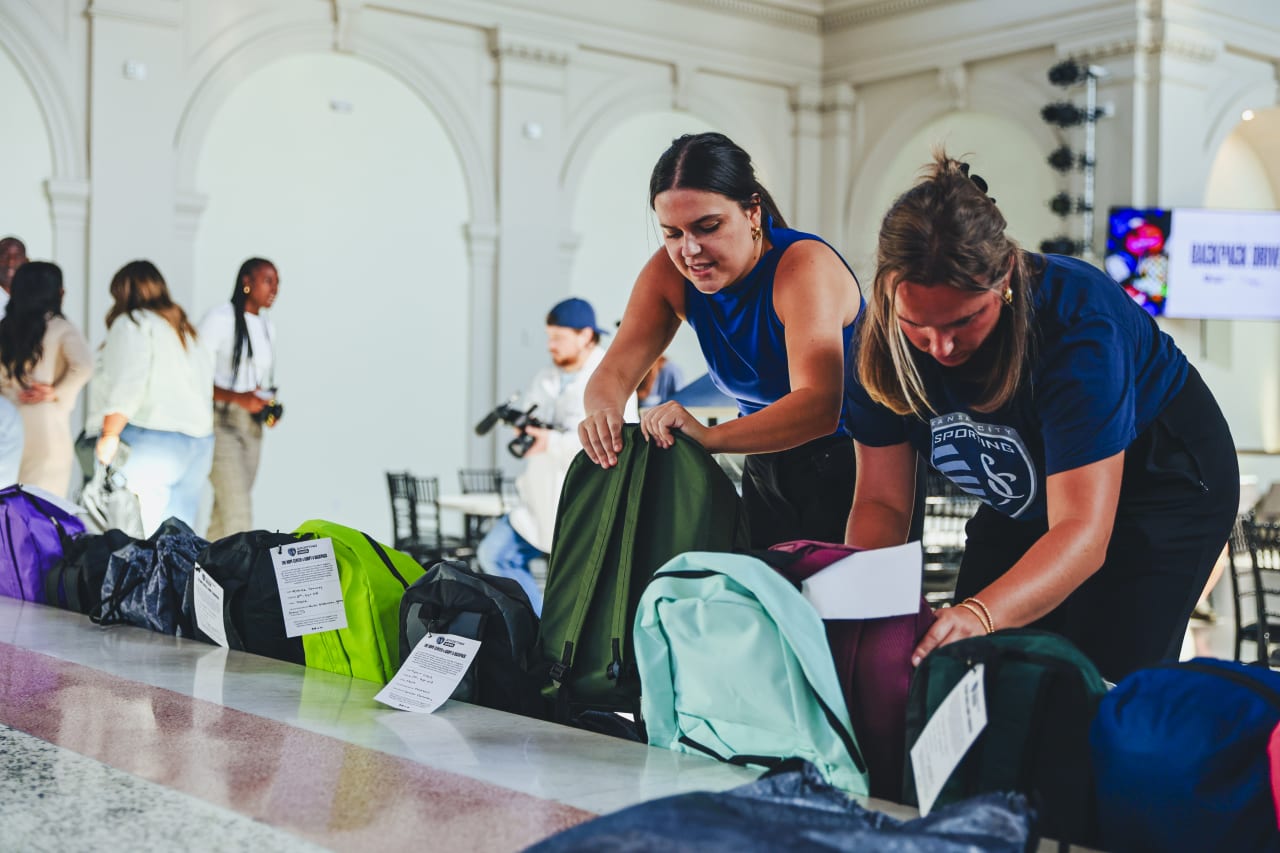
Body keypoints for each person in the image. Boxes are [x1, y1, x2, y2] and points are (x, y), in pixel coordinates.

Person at [844, 152, 1238, 682]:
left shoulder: (1076, 323)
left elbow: (1080, 532)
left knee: (1097, 680)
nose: (940, 347)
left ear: (1005, 274)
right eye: (919, 325)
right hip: (1028, 486)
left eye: (964, 321)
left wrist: (980, 615)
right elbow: (882, 501)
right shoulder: (880, 336)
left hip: (1163, 482)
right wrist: (860, 611)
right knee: (971, 671)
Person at [578, 132, 870, 548]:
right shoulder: (669, 273)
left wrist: (709, 438)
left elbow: (820, 405)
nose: (690, 249)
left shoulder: (803, 266)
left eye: (708, 226)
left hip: (858, 464)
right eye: (672, 233)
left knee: (843, 613)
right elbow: (613, 373)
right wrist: (603, 416)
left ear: (753, 212)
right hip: (765, 464)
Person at [476, 297, 638, 614]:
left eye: (559, 338)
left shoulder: (611, 378)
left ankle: (552, 641)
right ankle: (533, 626)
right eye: (550, 337)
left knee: (576, 591)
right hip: (536, 504)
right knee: (494, 553)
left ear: (586, 336)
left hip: (584, 504)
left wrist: (549, 442)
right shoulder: (544, 377)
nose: (552, 345)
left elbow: (613, 440)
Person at [87, 260, 215, 535]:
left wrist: (110, 434)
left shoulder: (133, 323)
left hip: (153, 440)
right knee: (178, 542)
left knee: (139, 536)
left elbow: (129, 383)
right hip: (198, 444)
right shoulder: (185, 328)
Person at [198, 258, 280, 540]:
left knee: (224, 514)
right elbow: (194, 378)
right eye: (268, 280)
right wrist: (239, 398)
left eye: (277, 282)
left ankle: (202, 576)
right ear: (247, 282)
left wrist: (264, 405)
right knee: (238, 513)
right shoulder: (219, 319)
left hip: (252, 426)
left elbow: (254, 380)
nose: (275, 288)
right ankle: (237, 582)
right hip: (221, 421)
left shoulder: (268, 327)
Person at [0, 262, 92, 496]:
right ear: (57, 292)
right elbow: (84, 366)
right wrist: (56, 391)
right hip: (46, 427)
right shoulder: (60, 327)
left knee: (6, 508)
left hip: (7, 422)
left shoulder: (5, 328)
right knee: (41, 509)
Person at [0, 236, 27, 317]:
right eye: (4, 256)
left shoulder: (34, 297)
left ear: (26, 261)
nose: (11, 262)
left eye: (17, 257)